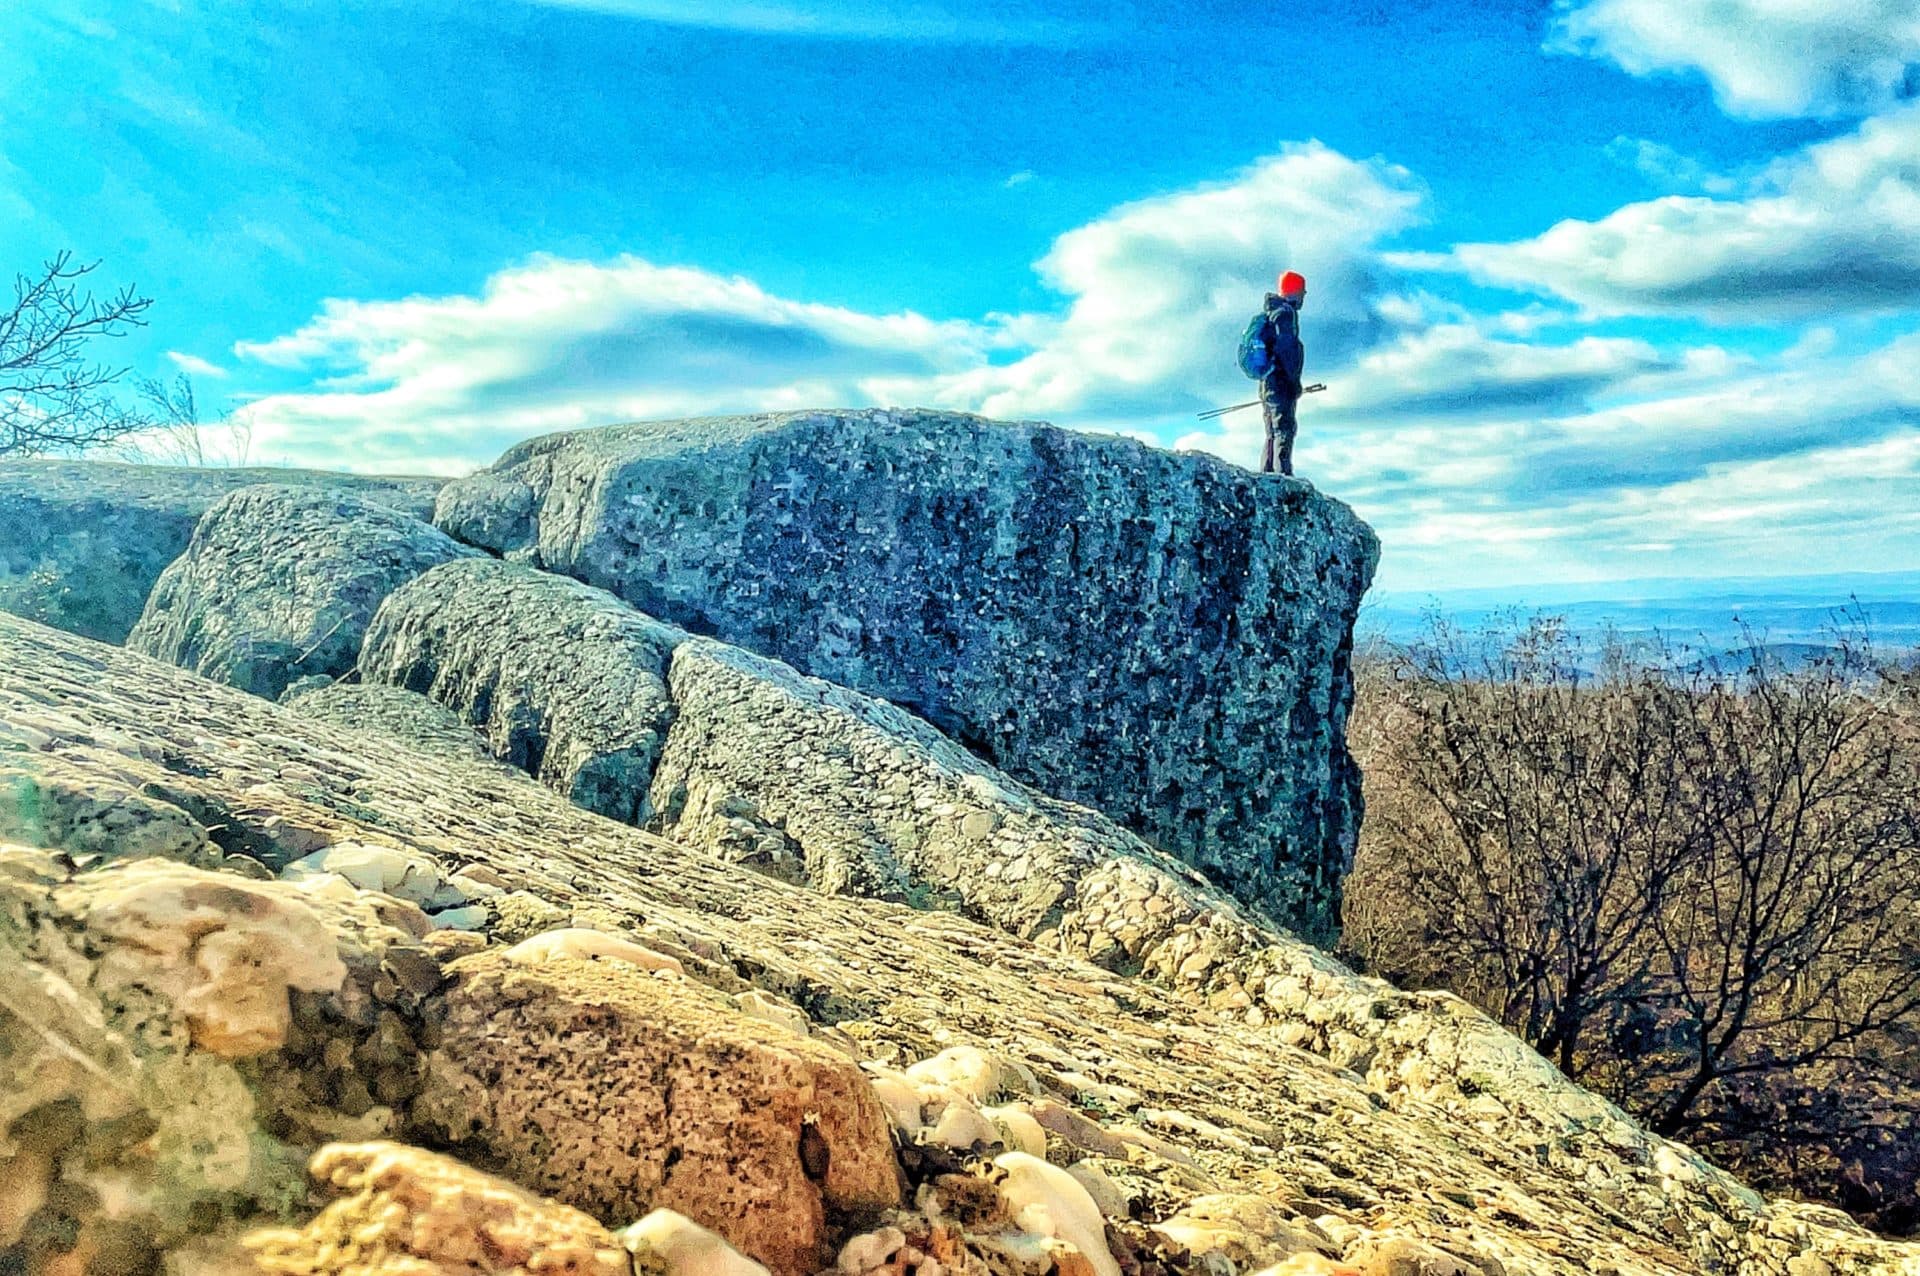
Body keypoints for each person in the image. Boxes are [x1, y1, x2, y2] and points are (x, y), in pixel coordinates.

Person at [1258, 271, 1306, 475]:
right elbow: (1288, 350)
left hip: (1267, 383)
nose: (1304, 295)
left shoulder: (1272, 312)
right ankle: (1283, 474)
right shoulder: (1286, 313)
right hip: (1280, 383)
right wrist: (1294, 382)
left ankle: (1267, 472)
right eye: (1302, 291)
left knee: (1271, 431)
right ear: (1295, 291)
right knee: (1284, 428)